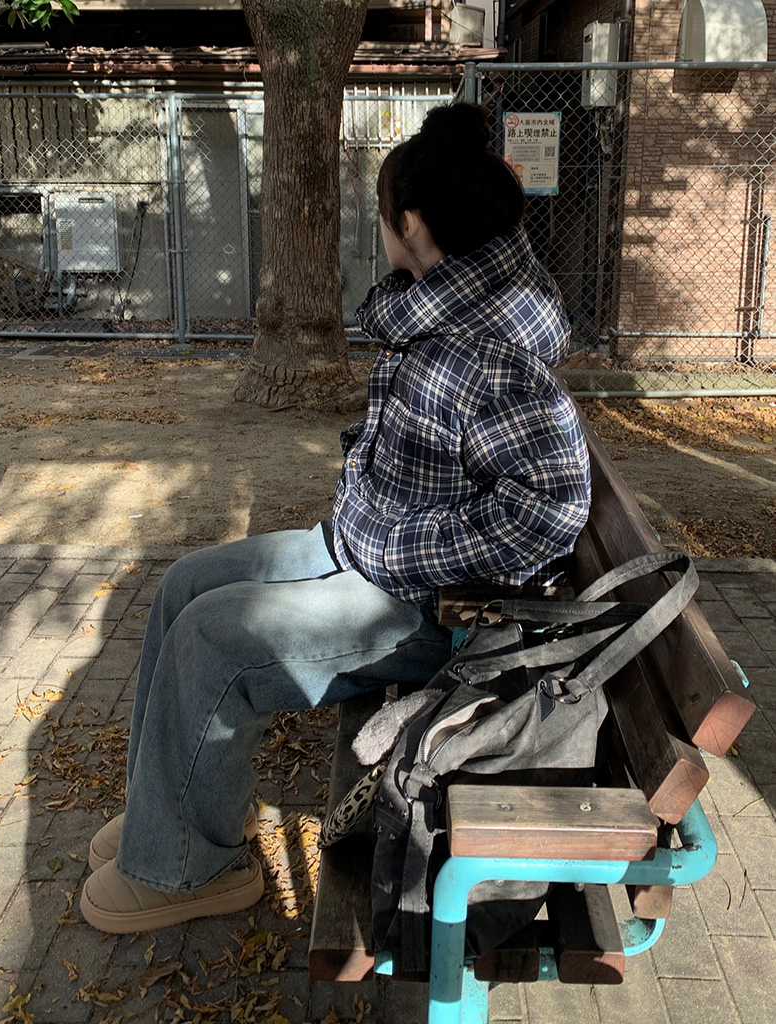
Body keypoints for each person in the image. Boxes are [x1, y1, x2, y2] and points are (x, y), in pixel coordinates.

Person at [79, 102, 591, 934]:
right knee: (184, 587)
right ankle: (170, 816)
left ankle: (185, 869)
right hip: (369, 552)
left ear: (411, 224)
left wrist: (397, 548)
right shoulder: (447, 306)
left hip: (437, 611)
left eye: (381, 211)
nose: (376, 226)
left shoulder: (492, 348)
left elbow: (549, 511)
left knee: (213, 640)